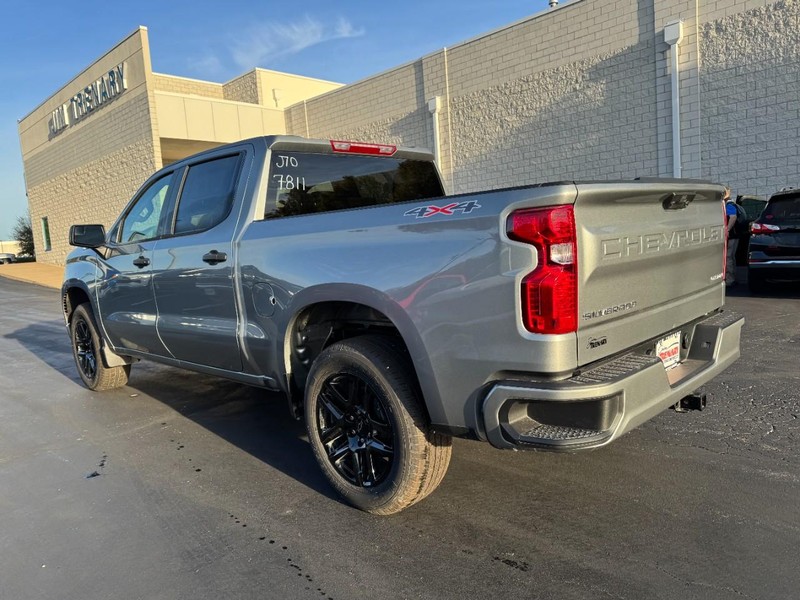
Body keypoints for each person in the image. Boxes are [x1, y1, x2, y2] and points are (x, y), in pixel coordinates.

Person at [724, 189, 739, 286]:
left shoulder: (729, 205)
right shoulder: (733, 204)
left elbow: (733, 217)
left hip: (732, 236)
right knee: (731, 257)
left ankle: (730, 280)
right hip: (735, 235)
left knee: (728, 257)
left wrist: (727, 229)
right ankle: (732, 278)